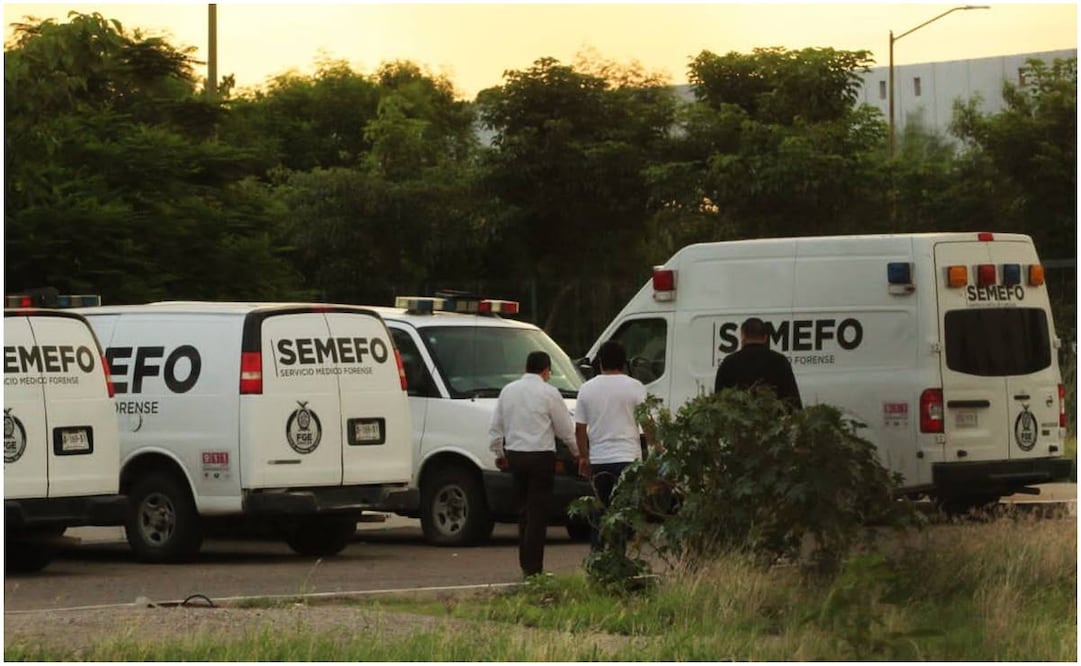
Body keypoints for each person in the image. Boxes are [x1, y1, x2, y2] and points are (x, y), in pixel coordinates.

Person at [489, 351, 579, 578]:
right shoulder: (549, 393)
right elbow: (565, 430)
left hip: (516, 456)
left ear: (525, 368)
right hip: (541, 457)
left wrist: (500, 452)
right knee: (538, 512)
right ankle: (534, 568)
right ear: (546, 370)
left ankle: (524, 563)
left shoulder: (508, 391)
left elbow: (496, 427)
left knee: (523, 511)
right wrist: (578, 453)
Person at [575, 340, 648, 551]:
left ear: (600, 362)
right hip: (628, 461)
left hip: (599, 461)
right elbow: (648, 423)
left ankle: (597, 559)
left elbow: (580, 429)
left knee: (599, 513)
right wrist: (656, 449)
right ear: (624, 363)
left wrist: (583, 457)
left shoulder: (587, 389)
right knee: (622, 515)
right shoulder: (635, 387)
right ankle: (618, 561)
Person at [714, 317, 802, 410]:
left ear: (743, 337)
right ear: (765, 338)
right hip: (773, 421)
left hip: (739, 422)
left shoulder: (729, 363)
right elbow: (793, 401)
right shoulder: (780, 361)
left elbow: (719, 400)